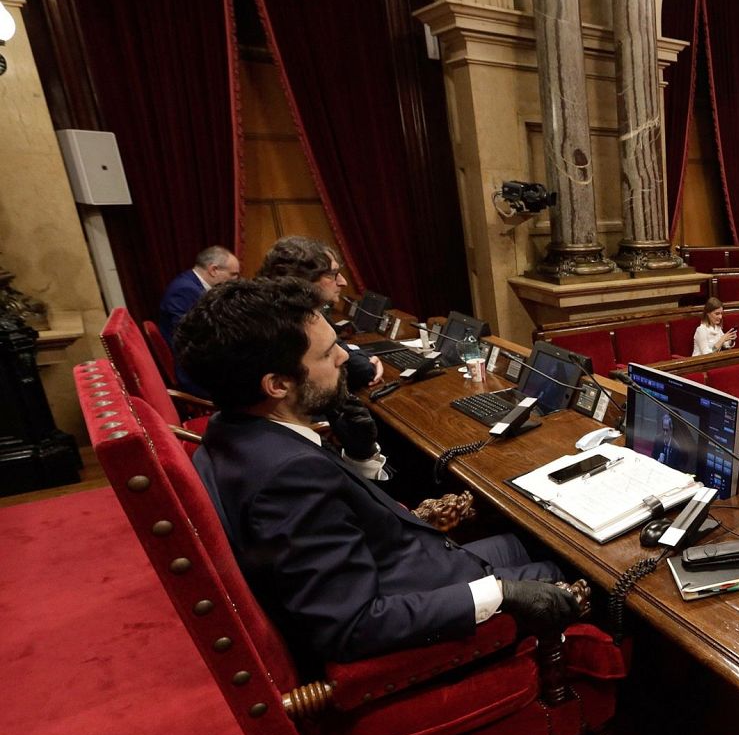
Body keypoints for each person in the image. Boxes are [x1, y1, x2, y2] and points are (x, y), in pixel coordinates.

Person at [175, 277, 578, 666]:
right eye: (326, 352)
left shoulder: (234, 431)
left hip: (415, 564)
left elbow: (340, 520)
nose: (344, 357)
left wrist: (360, 453)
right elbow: (350, 626)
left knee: (530, 536)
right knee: (572, 566)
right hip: (424, 600)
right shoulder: (285, 477)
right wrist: (502, 595)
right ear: (278, 384)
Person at [258, 236, 383, 389]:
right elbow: (362, 370)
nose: (343, 282)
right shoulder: (293, 323)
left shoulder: (302, 312)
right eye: (332, 274)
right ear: (302, 279)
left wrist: (355, 352)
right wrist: (365, 358)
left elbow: (342, 348)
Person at [157, 245, 240, 345]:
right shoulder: (185, 290)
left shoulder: (192, 284)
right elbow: (186, 335)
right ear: (213, 270)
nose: (236, 279)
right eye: (233, 274)